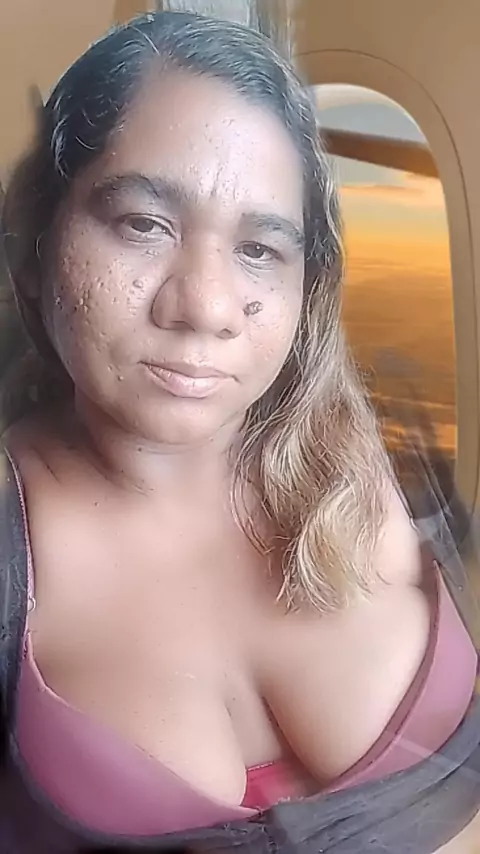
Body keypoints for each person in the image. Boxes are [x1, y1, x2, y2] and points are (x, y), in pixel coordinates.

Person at [0, 6, 478, 853]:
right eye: (144, 224)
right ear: (38, 242)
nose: (206, 307)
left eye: (260, 249)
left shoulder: (388, 450)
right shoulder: (16, 546)